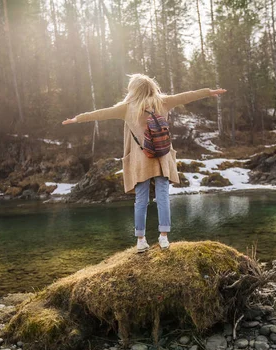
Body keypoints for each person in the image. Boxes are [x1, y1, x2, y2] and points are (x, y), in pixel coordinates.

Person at [63, 74, 226, 252]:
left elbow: (100, 114)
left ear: (133, 90)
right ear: (151, 87)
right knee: (163, 197)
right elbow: (187, 96)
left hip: (141, 161)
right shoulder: (162, 102)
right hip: (162, 158)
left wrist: (77, 119)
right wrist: (208, 92)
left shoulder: (126, 108)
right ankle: (164, 237)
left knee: (141, 200)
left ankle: (141, 240)